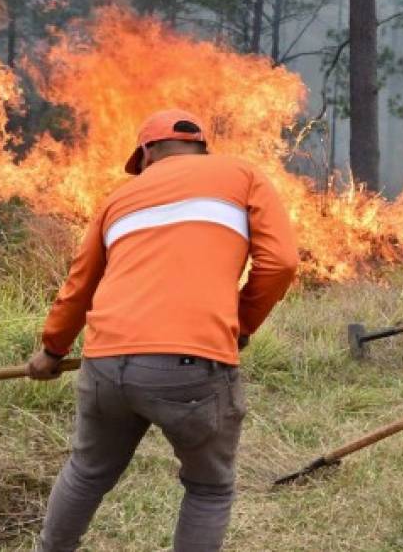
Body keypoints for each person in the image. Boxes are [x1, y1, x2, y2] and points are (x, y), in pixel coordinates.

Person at [26, 108, 299, 552]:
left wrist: (52, 350)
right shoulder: (242, 175)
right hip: (191, 364)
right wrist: (242, 322)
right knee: (208, 487)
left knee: (86, 472)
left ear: (147, 152)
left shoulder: (118, 199)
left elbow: (79, 285)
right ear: (200, 147)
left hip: (105, 363)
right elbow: (281, 263)